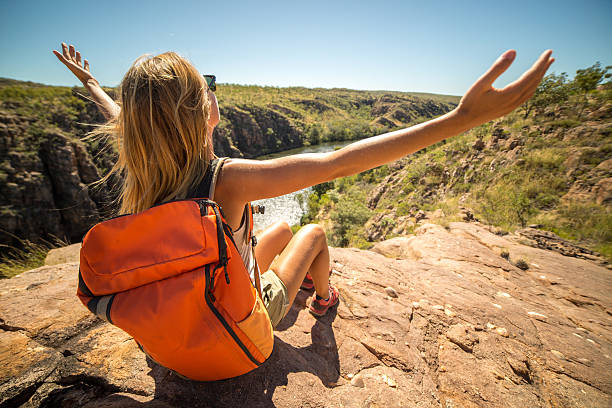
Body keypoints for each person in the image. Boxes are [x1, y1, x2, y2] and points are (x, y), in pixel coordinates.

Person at [53, 42, 554, 327]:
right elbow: (335, 163)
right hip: (237, 321)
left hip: (183, 312)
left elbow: (126, 118)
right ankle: (324, 300)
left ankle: (284, 282)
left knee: (281, 232)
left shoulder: (148, 165)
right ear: (205, 112)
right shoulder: (228, 180)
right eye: (209, 88)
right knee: (311, 233)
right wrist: (459, 119)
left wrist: (91, 84)